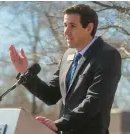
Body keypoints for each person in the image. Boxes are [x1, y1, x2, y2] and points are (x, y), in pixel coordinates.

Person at [9, 4, 121, 134]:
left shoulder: (107, 55)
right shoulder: (68, 55)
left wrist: (60, 124)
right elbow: (50, 95)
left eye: (72, 26)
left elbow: (95, 101)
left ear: (89, 28)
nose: (66, 32)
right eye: (65, 25)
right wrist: (24, 71)